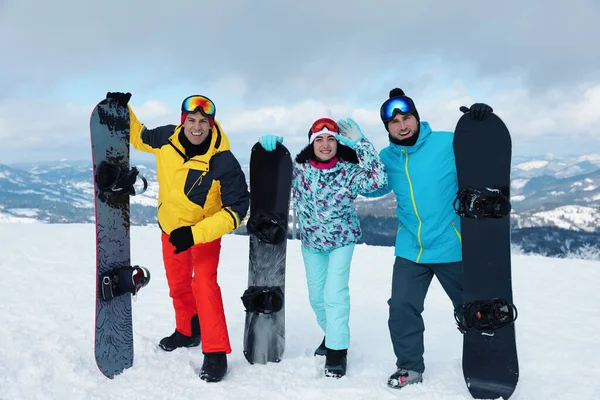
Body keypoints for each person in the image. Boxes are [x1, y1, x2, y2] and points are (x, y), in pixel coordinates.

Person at [104, 92, 250, 383]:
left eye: (203, 122)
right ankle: (187, 331)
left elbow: (237, 210)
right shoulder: (166, 138)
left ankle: (216, 352)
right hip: (170, 229)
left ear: (211, 125)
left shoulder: (222, 159)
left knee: (204, 284)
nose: (197, 127)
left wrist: (195, 233)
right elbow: (139, 136)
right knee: (179, 285)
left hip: (204, 233)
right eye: (191, 121)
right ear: (183, 122)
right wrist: (123, 109)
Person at [362, 88, 494, 388]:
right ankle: (409, 367)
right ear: (387, 128)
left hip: (452, 245)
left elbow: (483, 155)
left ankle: (488, 363)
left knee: (473, 308)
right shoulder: (387, 158)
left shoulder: (447, 142)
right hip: (412, 248)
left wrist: (480, 125)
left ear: (417, 118)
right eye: (394, 123)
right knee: (401, 308)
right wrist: (356, 152)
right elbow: (371, 188)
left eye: (407, 118)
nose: (402, 125)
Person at [258, 117, 387, 378]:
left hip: (342, 241)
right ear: (311, 143)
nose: (326, 144)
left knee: (334, 295)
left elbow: (379, 180)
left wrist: (361, 143)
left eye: (331, 139)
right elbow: (273, 178)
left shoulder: (349, 171)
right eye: (319, 139)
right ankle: (333, 334)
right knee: (317, 298)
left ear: (339, 143)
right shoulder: (300, 170)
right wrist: (268, 152)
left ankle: (338, 351)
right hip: (312, 243)